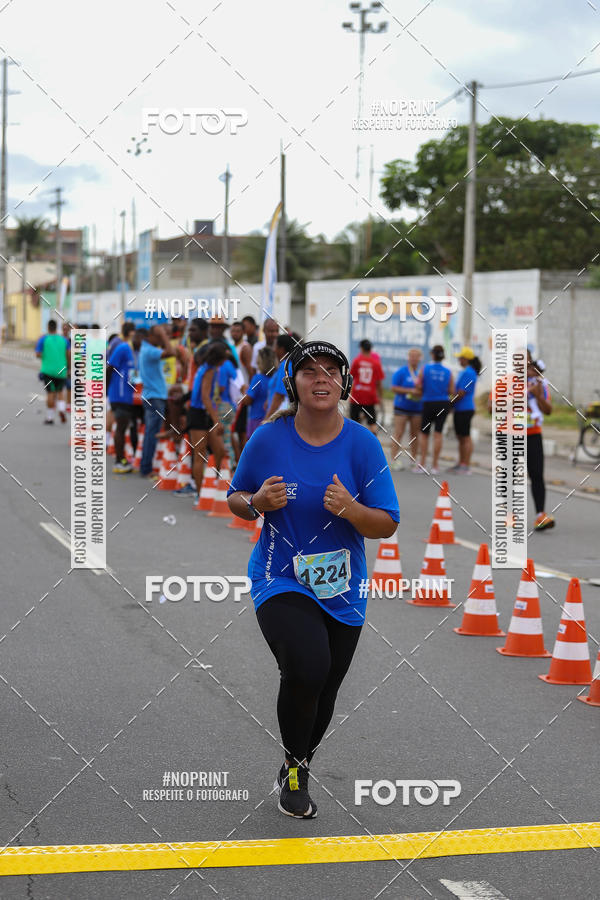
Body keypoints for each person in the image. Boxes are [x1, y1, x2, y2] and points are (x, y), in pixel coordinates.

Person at [226, 341, 399, 819]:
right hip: (280, 578)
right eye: (309, 371)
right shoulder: (268, 438)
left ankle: (295, 761)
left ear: (344, 384)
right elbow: (235, 498)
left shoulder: (362, 443)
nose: (320, 378)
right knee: (307, 667)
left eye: (330, 371)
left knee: (325, 688)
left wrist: (352, 509)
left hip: (344, 589)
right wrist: (257, 500)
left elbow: (386, 523)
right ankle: (298, 775)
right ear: (293, 383)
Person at [188, 343, 227, 500]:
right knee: (200, 454)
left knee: (219, 450)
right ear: (219, 358)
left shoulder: (205, 367)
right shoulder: (209, 370)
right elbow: (205, 397)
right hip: (199, 413)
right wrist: (216, 420)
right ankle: (200, 494)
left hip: (202, 413)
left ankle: (212, 486)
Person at [139, 325, 175, 478]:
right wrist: (164, 335)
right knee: (152, 433)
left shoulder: (146, 348)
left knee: (150, 432)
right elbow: (171, 352)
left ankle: (145, 465)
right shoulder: (149, 351)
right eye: (159, 336)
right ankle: (146, 468)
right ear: (152, 336)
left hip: (152, 395)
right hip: (154, 396)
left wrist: (161, 334)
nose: (162, 339)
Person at [107, 328, 143, 474]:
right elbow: (109, 367)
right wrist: (106, 390)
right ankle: (119, 461)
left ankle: (125, 459)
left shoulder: (138, 353)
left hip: (130, 397)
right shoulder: (123, 348)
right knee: (121, 427)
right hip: (119, 394)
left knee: (129, 426)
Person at [526, 352, 554, 530]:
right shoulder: (506, 382)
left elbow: (548, 411)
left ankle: (540, 515)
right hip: (511, 434)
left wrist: (538, 397)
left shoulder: (540, 385)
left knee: (537, 475)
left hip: (533, 434)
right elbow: (493, 408)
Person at [416, 345, 454, 475]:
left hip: (428, 402)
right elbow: (451, 390)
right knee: (438, 434)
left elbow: (418, 385)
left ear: (432, 354)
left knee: (424, 434)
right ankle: (435, 465)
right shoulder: (448, 371)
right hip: (442, 403)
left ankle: (422, 464)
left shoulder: (425, 368)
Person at [448, 346, 482, 474]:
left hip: (465, 408)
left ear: (466, 359)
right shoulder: (466, 371)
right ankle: (461, 462)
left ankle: (466, 464)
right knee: (460, 437)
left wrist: (449, 404)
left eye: (461, 358)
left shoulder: (469, 372)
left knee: (465, 437)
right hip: (460, 409)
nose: (459, 360)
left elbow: (461, 393)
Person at [390, 348, 423, 471]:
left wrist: (419, 392)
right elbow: (393, 388)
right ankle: (394, 459)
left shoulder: (421, 372)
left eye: (416, 357)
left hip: (417, 408)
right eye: (412, 356)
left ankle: (413, 460)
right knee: (398, 433)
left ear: (420, 358)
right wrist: (410, 391)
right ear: (408, 358)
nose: (414, 359)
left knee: (414, 435)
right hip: (401, 407)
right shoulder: (401, 372)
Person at [236, 346, 276, 439]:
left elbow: (248, 400)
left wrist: (243, 390)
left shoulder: (258, 378)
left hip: (256, 419)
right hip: (272, 418)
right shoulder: (276, 378)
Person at [35, 319, 70, 425]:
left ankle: (50, 418)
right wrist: (68, 367)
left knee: (50, 392)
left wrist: (46, 356)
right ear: (56, 327)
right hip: (62, 370)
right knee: (60, 392)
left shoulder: (43, 339)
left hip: (48, 371)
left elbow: (38, 354)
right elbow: (69, 354)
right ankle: (61, 409)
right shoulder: (64, 340)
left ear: (48, 327)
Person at [349, 339, 385, 434]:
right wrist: (380, 397)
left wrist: (350, 394)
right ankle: (373, 444)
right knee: (372, 423)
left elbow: (352, 378)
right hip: (369, 396)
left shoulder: (357, 361)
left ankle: (354, 444)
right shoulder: (376, 363)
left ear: (361, 348)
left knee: (353, 423)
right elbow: (379, 383)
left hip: (357, 395)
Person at [264, 333, 294, 419]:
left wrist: (267, 419)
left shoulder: (285, 365)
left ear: (282, 349)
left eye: (275, 346)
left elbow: (279, 395)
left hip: (280, 415)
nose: (273, 350)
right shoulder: (289, 364)